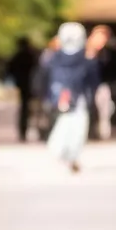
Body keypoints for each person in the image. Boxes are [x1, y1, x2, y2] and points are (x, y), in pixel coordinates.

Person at [43, 21, 99, 173]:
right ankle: (69, 154)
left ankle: (65, 153)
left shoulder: (53, 57)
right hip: (76, 97)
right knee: (75, 125)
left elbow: (45, 76)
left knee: (66, 123)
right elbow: (93, 81)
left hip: (60, 95)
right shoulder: (86, 57)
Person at [3, 35, 40, 142]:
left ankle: (23, 130)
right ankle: (27, 129)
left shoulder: (18, 56)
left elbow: (10, 69)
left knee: (25, 108)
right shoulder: (30, 55)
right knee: (28, 108)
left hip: (23, 84)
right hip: (30, 84)